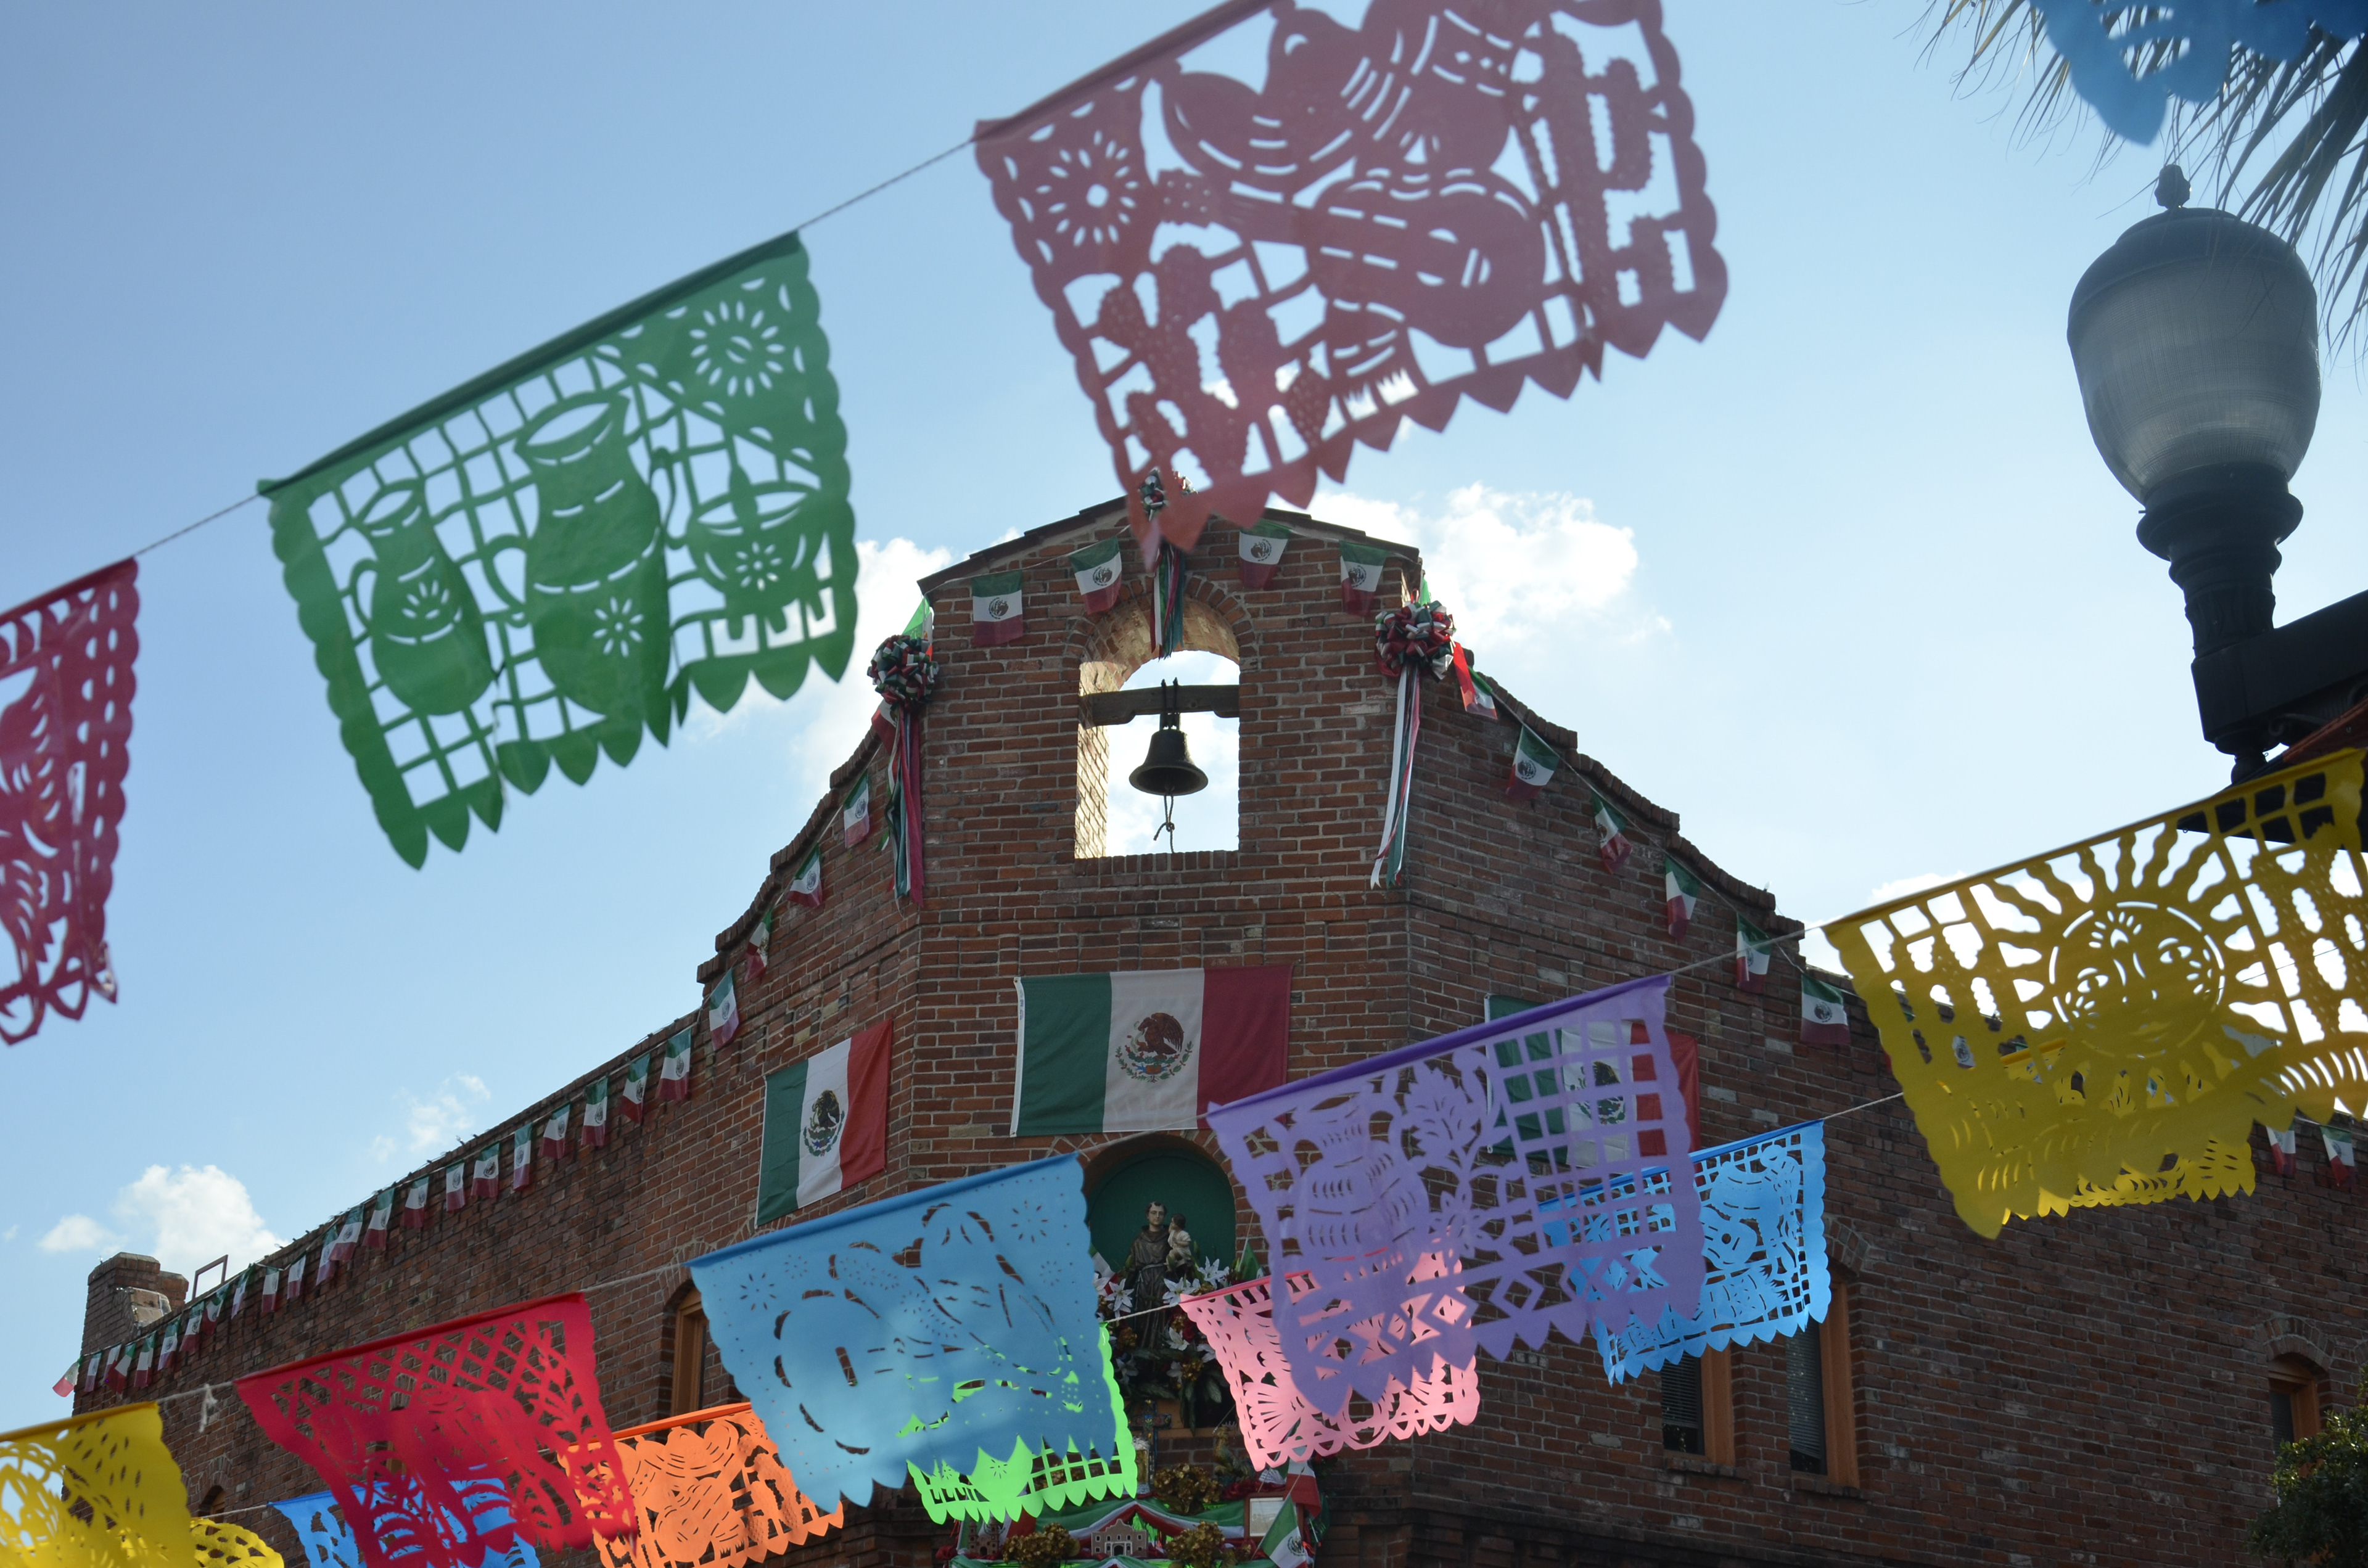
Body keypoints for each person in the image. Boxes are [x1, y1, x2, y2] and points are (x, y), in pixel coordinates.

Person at [1127, 1201, 1170, 1306]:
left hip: (1164, 1284)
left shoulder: (1171, 1238)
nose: (1157, 1216)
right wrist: (1123, 1288)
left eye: (1161, 1213)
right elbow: (1132, 1269)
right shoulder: (1139, 1242)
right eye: (1154, 1213)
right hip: (1145, 1286)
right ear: (1147, 1215)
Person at [1165, 1212, 1195, 1278]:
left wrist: (1178, 1242)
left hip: (1183, 1251)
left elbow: (1187, 1243)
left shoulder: (1184, 1234)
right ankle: (1170, 1268)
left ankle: (1174, 1264)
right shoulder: (1173, 1232)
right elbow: (1170, 1231)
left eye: (1173, 1222)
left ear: (1178, 1224)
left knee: (1172, 1252)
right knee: (1169, 1256)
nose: (1171, 1224)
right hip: (1176, 1250)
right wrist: (1171, 1225)